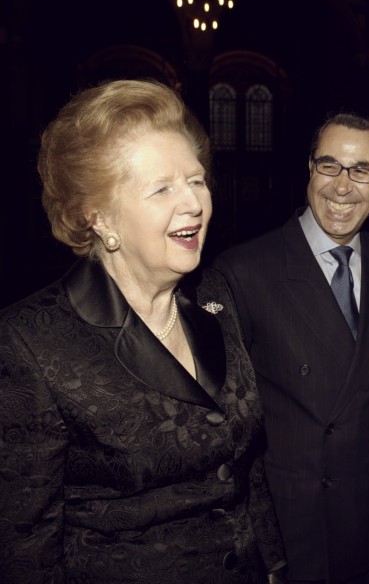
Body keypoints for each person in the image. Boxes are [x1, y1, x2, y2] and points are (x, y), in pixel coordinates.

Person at [0, 79, 286, 583]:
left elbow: (245, 467)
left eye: (197, 180)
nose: (194, 203)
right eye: (162, 188)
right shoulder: (29, 342)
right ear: (101, 217)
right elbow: (24, 547)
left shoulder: (214, 295)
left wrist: (273, 567)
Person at [213, 111, 369, 584]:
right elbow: (225, 435)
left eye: (361, 171)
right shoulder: (243, 272)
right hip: (292, 537)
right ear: (309, 170)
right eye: (329, 165)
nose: (342, 186)